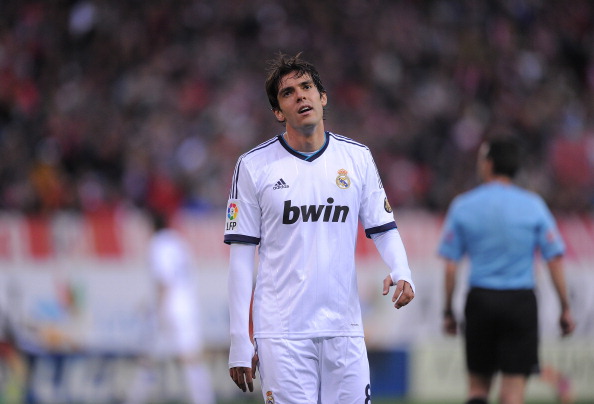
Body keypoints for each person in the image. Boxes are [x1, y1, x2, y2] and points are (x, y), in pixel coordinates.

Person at [223, 52, 415, 404]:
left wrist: (402, 270)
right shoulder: (253, 166)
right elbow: (241, 256)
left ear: (322, 97)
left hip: (345, 328)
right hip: (282, 333)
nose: (300, 96)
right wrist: (239, 339)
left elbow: (383, 226)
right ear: (278, 112)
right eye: (288, 93)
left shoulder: (356, 157)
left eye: (307, 87)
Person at [437, 137, 576, 404]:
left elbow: (451, 267)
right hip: (520, 302)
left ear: (489, 164)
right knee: (512, 395)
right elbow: (554, 259)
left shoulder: (464, 205)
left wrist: (448, 311)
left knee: (477, 389)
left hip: (481, 300)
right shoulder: (533, 205)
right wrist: (565, 308)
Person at [125, 209, 215, 404]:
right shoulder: (178, 242)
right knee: (191, 359)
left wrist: (157, 310)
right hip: (188, 305)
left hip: (169, 307)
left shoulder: (158, 244)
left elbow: (164, 281)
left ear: (152, 226)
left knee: (150, 360)